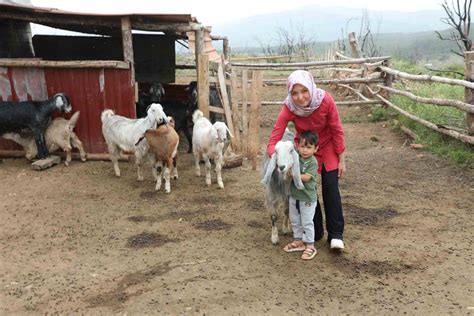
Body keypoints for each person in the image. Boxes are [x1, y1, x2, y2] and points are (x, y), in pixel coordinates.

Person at [267, 70, 346, 251]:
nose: (300, 97)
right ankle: (315, 231)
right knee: (307, 188)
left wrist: (341, 158)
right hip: (304, 150)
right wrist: (277, 158)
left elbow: (337, 129)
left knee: (330, 186)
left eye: (304, 91)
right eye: (294, 93)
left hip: (327, 147)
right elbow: (274, 137)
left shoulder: (325, 100)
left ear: (311, 87)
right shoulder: (289, 108)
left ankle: (336, 234)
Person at [283, 130, 319, 260]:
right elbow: (289, 168)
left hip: (307, 198)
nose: (305, 150)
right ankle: (298, 240)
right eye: (302, 146)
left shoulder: (313, 162)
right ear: (297, 146)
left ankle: (310, 245)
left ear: (316, 149)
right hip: (295, 196)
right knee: (295, 220)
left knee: (307, 222)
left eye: (309, 147)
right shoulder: (296, 158)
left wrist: (293, 174)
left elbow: (307, 178)